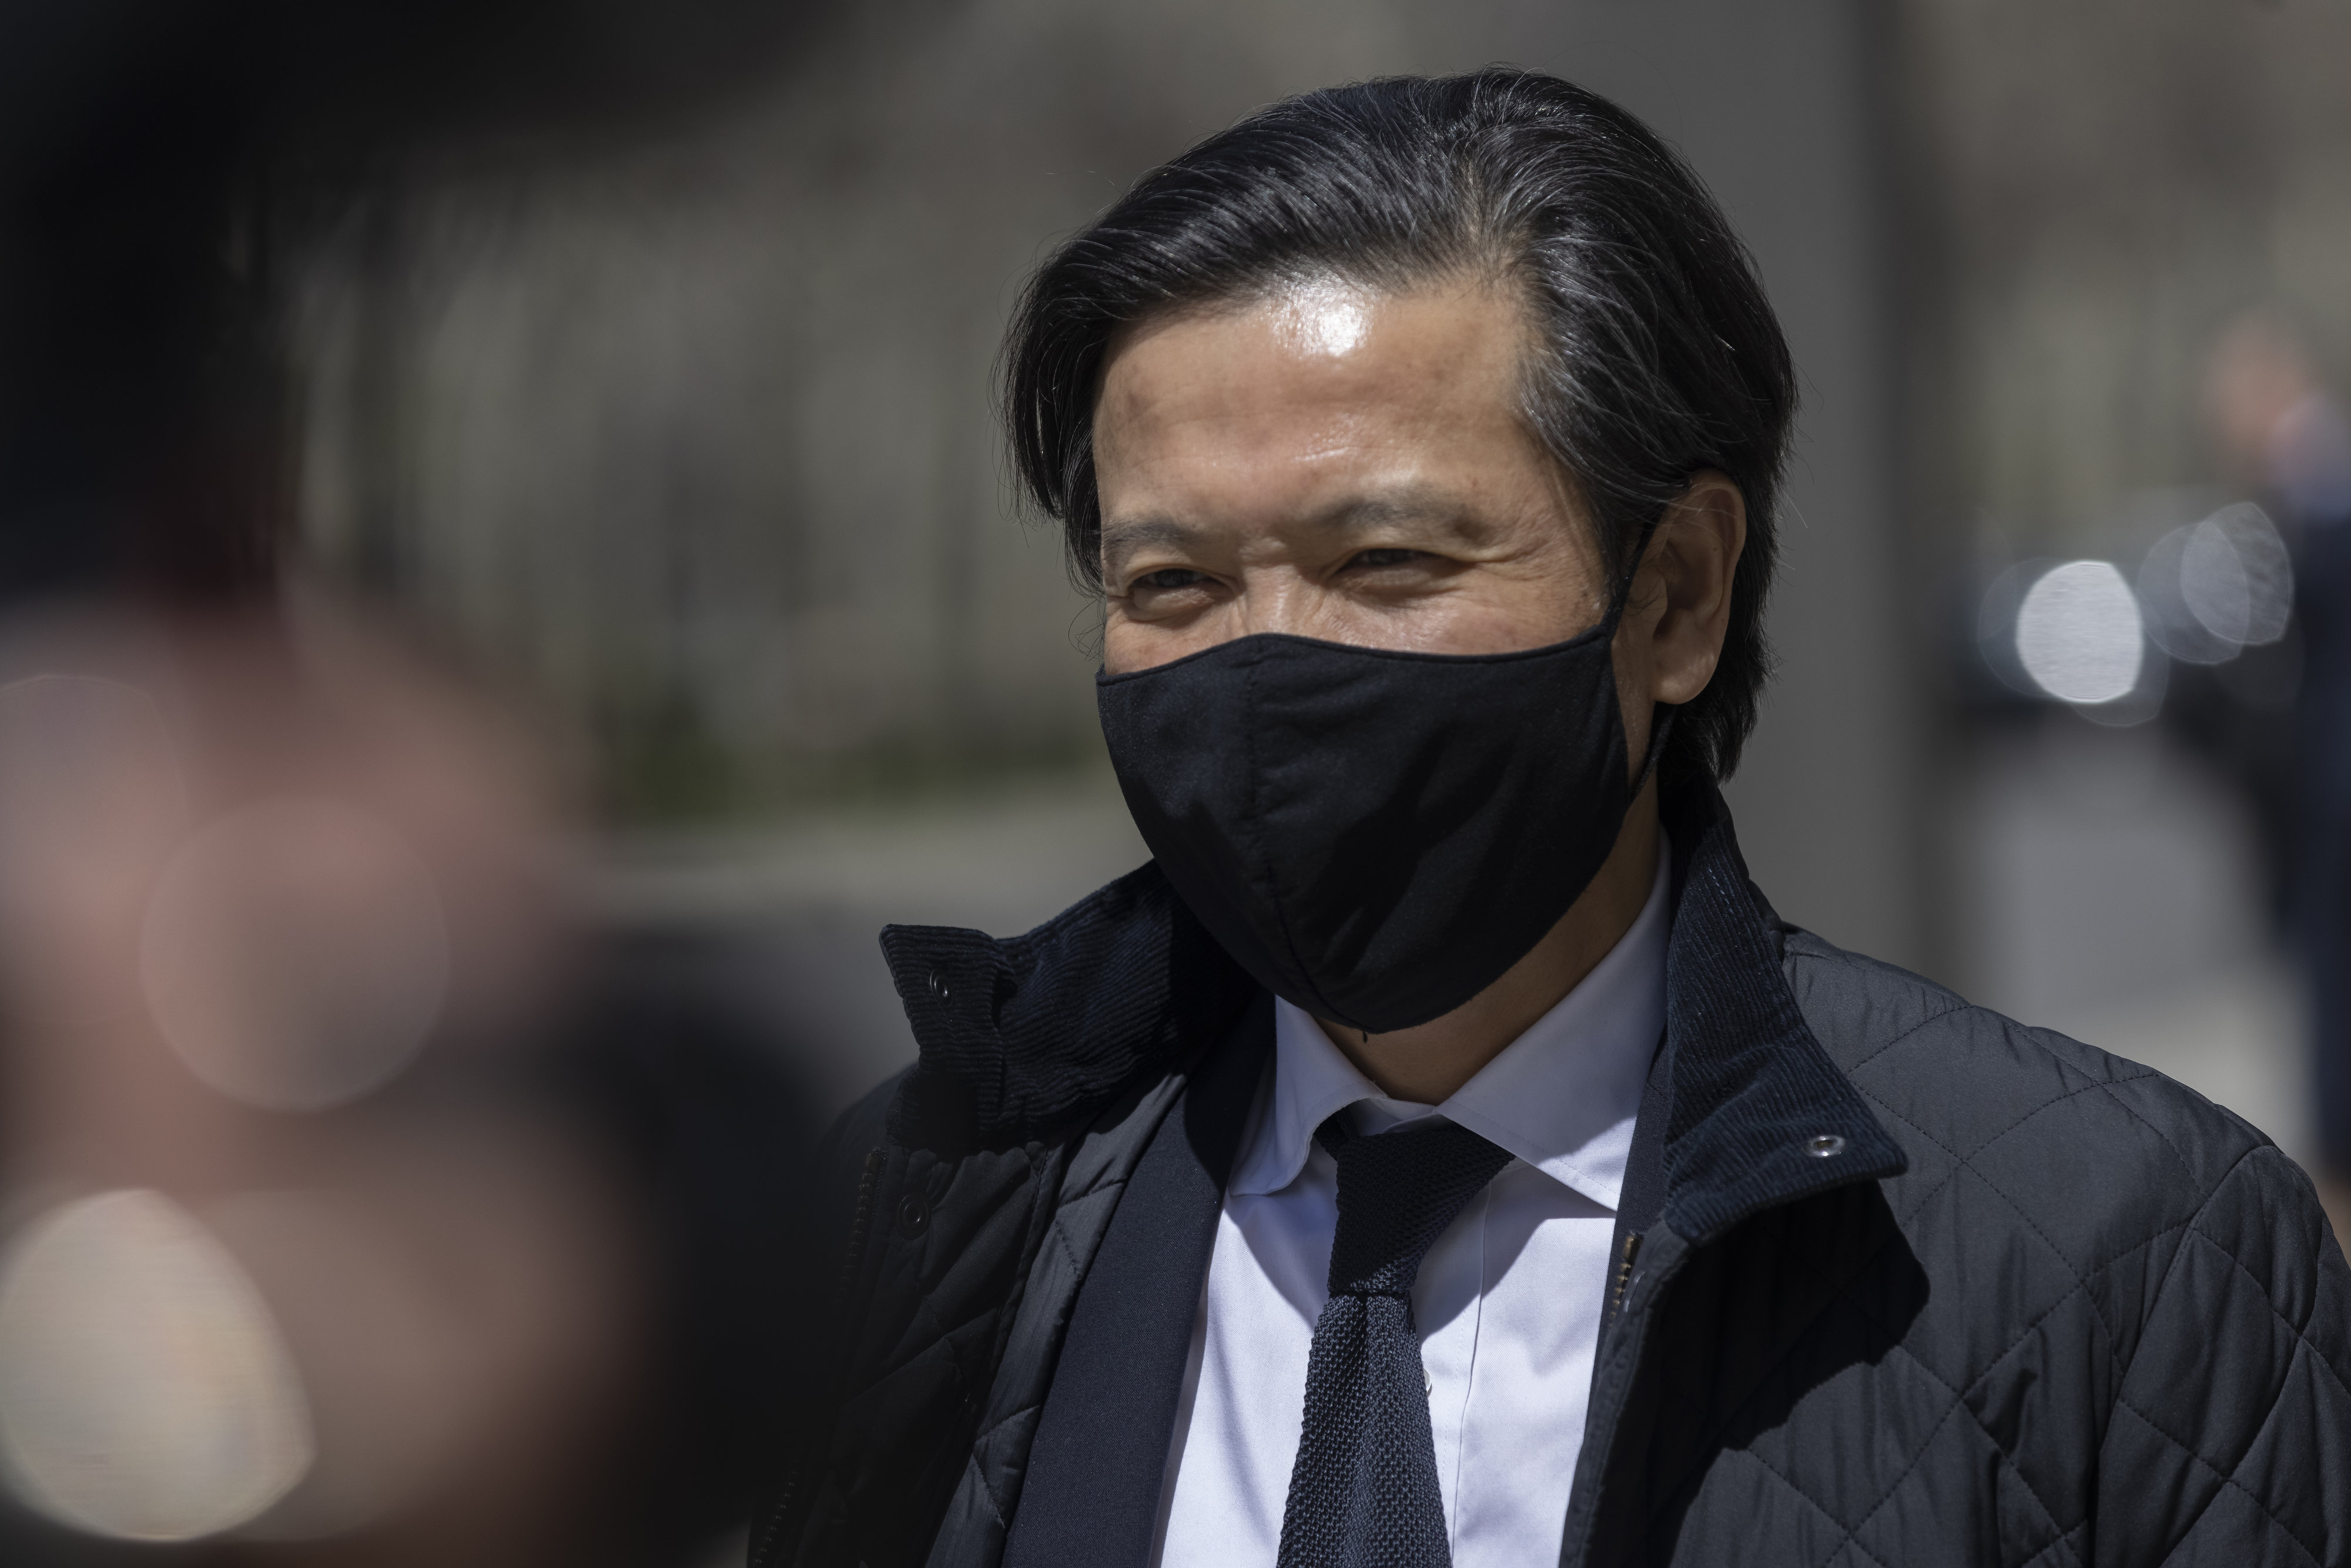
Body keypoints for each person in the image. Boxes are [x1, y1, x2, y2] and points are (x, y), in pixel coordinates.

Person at [754, 69, 2351, 1568]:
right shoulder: (922, 1212)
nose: (1262, 667)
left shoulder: (2123, 1256)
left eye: (1386, 562)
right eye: (1172, 582)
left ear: (1677, 595)